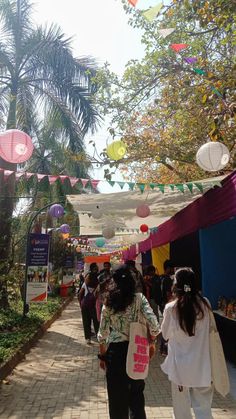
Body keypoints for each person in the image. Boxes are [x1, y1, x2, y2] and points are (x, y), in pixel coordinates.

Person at [97, 265, 160, 419]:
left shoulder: (109, 302)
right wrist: (151, 345)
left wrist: (103, 356)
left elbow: (102, 334)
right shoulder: (140, 299)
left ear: (113, 282)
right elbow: (155, 326)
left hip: (115, 354)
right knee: (137, 398)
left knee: (117, 401)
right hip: (137, 351)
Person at [161, 267, 213, 419]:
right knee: (204, 410)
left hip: (179, 369)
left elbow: (165, 334)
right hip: (203, 366)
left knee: (181, 411)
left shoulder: (171, 308)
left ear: (176, 284)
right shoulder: (206, 304)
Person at [78, 263, 99, 345]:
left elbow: (80, 294)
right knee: (96, 321)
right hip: (94, 305)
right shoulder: (98, 285)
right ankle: (98, 336)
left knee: (86, 321)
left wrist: (80, 304)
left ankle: (88, 338)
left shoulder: (85, 284)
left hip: (85, 304)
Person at [159, 259, 174, 355]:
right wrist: (171, 304)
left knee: (165, 325)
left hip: (162, 303)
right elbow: (168, 293)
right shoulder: (168, 279)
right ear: (168, 268)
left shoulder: (161, 277)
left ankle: (163, 348)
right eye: (172, 268)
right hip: (166, 304)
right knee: (168, 325)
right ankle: (164, 348)